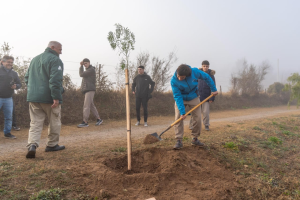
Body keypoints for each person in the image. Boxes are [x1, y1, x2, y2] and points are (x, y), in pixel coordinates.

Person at [25, 41, 65, 159]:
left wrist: (33, 90)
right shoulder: (55, 60)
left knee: (35, 122)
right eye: (59, 49)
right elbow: (55, 81)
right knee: (54, 121)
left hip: (33, 97)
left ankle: (32, 145)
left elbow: (27, 77)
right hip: (49, 98)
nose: (61, 52)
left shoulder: (34, 59)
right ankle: (52, 145)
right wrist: (56, 97)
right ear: (52, 47)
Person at [171, 64, 218, 150]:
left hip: (194, 97)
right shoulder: (174, 80)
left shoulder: (195, 72)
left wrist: (213, 89)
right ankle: (179, 140)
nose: (179, 78)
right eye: (178, 76)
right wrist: (182, 112)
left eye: (182, 77)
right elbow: (177, 96)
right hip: (181, 98)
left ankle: (195, 138)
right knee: (178, 117)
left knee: (197, 118)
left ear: (187, 75)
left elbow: (207, 77)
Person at [189, 60, 216, 131]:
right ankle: (191, 125)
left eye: (207, 66)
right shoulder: (198, 73)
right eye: (204, 66)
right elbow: (193, 84)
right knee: (194, 112)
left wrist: (212, 97)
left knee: (206, 112)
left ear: (208, 66)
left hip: (207, 96)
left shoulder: (211, 75)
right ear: (202, 66)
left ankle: (206, 125)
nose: (205, 67)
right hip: (197, 96)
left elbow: (213, 86)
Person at [0, 56, 22, 139]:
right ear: (2, 62)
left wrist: (16, 86)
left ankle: (7, 133)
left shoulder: (14, 73)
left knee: (9, 117)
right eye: (8, 62)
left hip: (9, 98)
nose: (10, 64)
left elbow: (20, 84)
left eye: (11, 62)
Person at [77, 58, 103, 128]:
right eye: (84, 63)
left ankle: (85, 122)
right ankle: (99, 119)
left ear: (89, 63)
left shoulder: (91, 70)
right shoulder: (88, 70)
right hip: (88, 90)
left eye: (86, 63)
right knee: (91, 105)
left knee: (86, 106)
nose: (85, 65)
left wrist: (81, 66)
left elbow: (81, 74)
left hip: (90, 90)